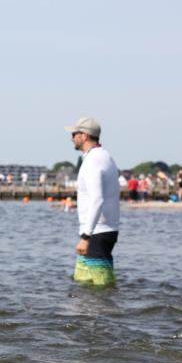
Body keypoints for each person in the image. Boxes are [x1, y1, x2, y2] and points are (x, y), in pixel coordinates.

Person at [66, 117, 120, 286]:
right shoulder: (104, 156)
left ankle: (108, 312)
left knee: (101, 286)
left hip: (96, 232)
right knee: (83, 283)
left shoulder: (93, 160)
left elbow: (97, 199)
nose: (71, 138)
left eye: (74, 134)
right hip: (99, 230)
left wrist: (86, 236)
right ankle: (85, 313)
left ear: (85, 135)